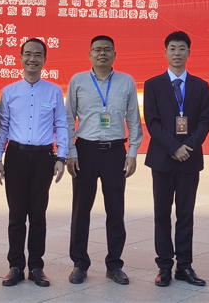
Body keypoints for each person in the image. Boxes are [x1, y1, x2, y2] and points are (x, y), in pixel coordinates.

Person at [66, 35, 142, 285]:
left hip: (115, 152)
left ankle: (114, 264)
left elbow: (133, 119)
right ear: (89, 54)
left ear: (114, 55)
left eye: (107, 50)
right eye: (97, 50)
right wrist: (71, 152)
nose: (102, 54)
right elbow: (68, 119)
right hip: (85, 151)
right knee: (81, 210)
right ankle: (79, 263)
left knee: (115, 210)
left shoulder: (126, 81)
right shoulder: (78, 81)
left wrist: (132, 153)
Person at [0, 38, 68, 287]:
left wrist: (61, 157)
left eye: (37, 55)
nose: (32, 59)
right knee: (16, 215)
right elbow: (2, 127)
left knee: (37, 214)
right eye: (27, 54)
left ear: (44, 59)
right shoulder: (10, 91)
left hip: (43, 158)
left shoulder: (54, 91)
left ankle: (36, 266)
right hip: (15, 156)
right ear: (21, 57)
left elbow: (61, 125)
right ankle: (15, 266)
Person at [143, 31, 209, 287]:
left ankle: (184, 266)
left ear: (189, 52)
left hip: (189, 160)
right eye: (172, 48)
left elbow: (204, 121)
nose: (177, 53)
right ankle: (164, 266)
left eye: (182, 48)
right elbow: (153, 122)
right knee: (162, 214)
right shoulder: (153, 84)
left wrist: (187, 147)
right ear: (166, 52)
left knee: (185, 214)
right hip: (162, 159)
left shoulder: (201, 86)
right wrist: (174, 147)